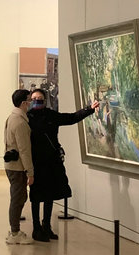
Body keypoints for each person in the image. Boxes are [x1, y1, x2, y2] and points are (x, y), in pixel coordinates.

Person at [28, 88, 99, 241]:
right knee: (36, 195)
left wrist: (89, 109)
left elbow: (71, 118)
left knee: (49, 194)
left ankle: (46, 226)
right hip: (36, 161)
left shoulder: (51, 115)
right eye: (33, 98)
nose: (36, 101)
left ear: (45, 100)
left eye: (39, 98)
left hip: (51, 161)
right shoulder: (27, 118)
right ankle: (36, 228)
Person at [4, 90, 34, 245]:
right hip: (17, 167)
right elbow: (24, 150)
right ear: (23, 103)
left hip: (12, 165)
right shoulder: (20, 122)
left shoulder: (12, 117)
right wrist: (30, 172)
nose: (31, 103)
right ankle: (15, 232)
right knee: (17, 198)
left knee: (19, 197)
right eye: (30, 100)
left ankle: (14, 230)